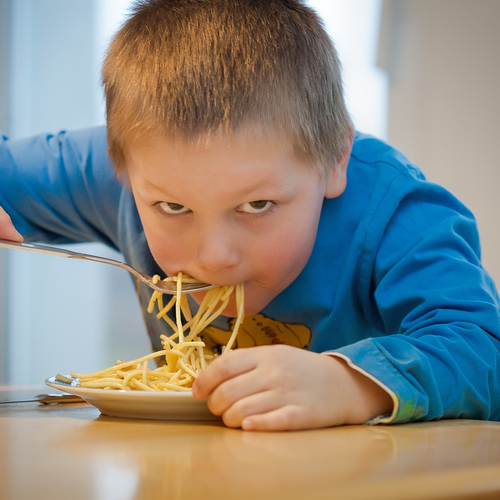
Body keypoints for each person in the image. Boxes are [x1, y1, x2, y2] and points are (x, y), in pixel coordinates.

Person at [1, 0, 499, 431]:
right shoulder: (131, 162)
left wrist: (350, 384)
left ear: (335, 161)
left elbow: (483, 349)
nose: (214, 258)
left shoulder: (395, 213)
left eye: (256, 206)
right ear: (124, 168)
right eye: (173, 207)